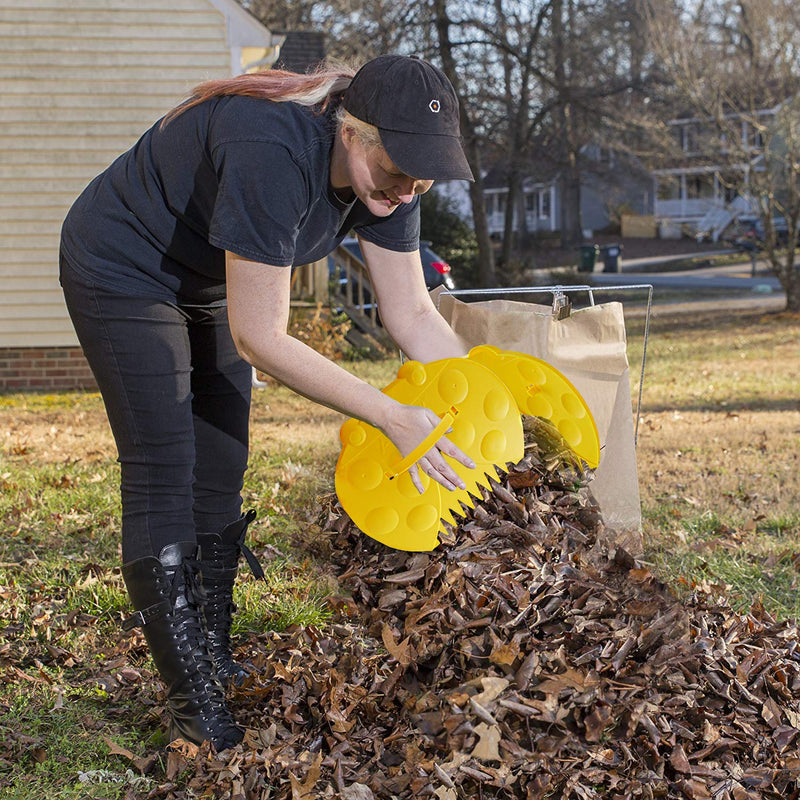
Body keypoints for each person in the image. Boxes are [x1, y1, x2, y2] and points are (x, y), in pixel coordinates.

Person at [59, 54, 476, 751]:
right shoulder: (273, 147)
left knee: (221, 466)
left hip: (212, 280)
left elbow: (411, 314)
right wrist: (391, 416)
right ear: (352, 131)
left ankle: (214, 652)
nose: (407, 191)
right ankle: (194, 702)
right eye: (398, 168)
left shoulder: (393, 184)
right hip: (125, 267)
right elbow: (262, 338)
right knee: (167, 464)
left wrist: (485, 402)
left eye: (422, 176)